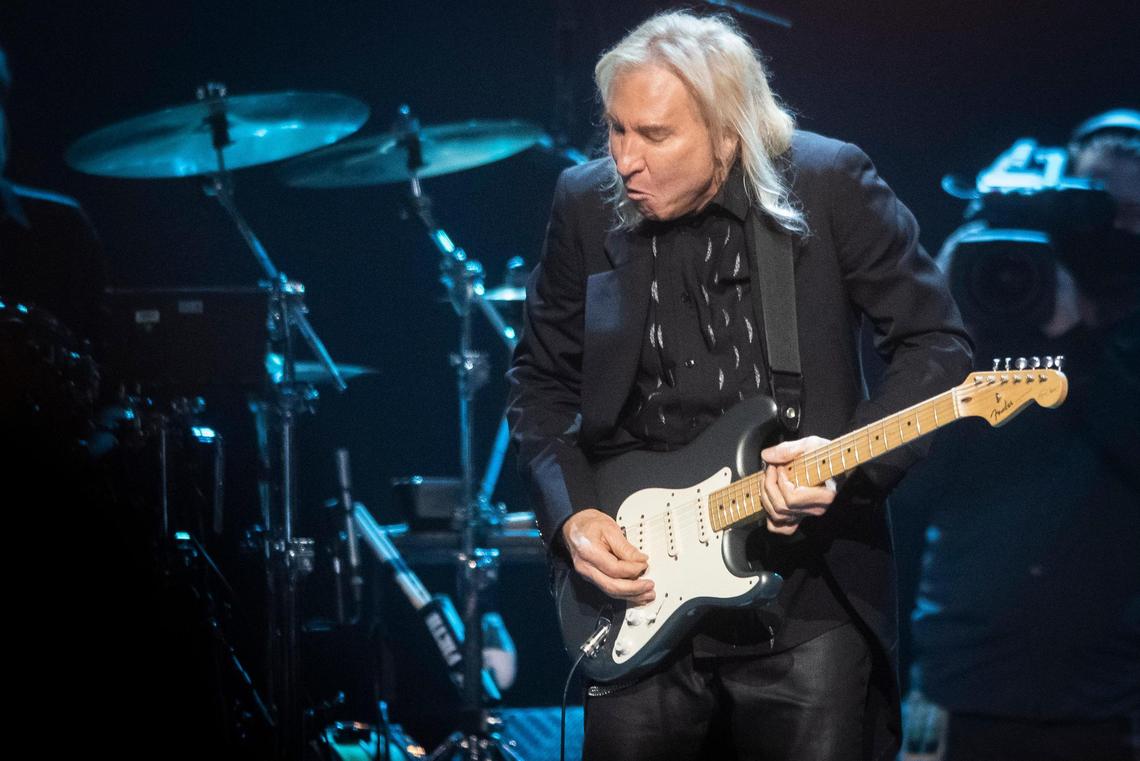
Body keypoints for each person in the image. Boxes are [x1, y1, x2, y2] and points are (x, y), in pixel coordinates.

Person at [506, 11, 972, 761]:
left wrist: (849, 460)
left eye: (654, 135)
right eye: (617, 129)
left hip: (806, 599)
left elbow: (936, 344)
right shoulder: (584, 201)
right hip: (640, 590)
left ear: (729, 133)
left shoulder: (829, 182)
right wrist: (572, 515)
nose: (626, 159)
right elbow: (539, 379)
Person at [902, 110, 1140, 761]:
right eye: (1093, 206)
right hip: (967, 674)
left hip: (1109, 690)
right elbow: (908, 478)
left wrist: (1077, 339)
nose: (1111, 230)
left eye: (1128, 211)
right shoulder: (997, 306)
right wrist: (941, 310)